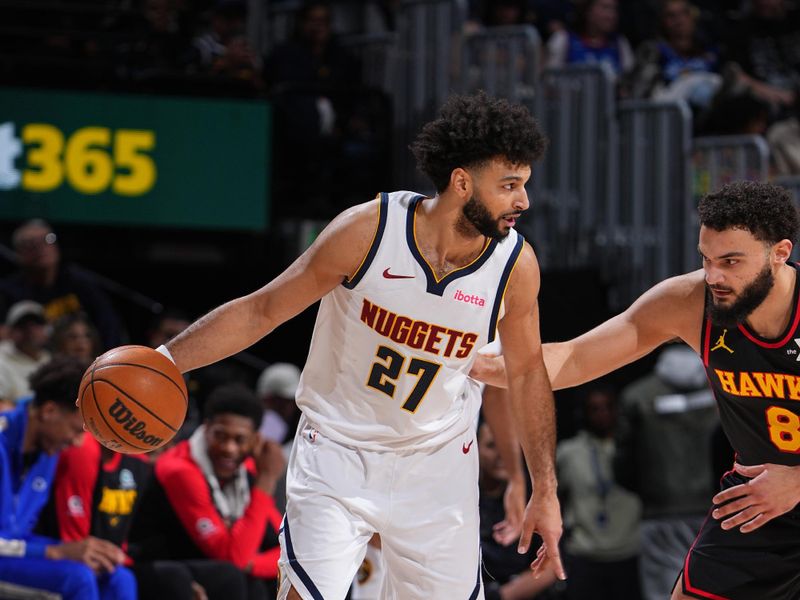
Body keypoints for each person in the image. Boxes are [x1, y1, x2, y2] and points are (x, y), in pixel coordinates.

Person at [119, 92, 565, 599]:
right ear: (462, 182)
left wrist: (541, 487)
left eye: (524, 185)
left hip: (439, 468)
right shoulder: (369, 231)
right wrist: (166, 361)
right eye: (510, 186)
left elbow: (525, 374)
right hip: (338, 450)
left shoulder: (515, 266)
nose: (523, 201)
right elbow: (262, 309)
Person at [476, 180, 800, 599]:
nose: (714, 275)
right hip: (757, 503)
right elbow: (576, 358)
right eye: (706, 258)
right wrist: (475, 364)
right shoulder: (690, 301)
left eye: (732, 261)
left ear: (781, 253)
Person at [128, 383, 285, 600]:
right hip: (154, 568)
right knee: (230, 577)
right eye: (220, 435)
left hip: (203, 566)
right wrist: (266, 479)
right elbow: (232, 558)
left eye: (239, 440)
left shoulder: (244, 472)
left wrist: (250, 564)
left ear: (255, 441)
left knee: (259, 583)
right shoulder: (180, 469)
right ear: (206, 428)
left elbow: (283, 548)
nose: (229, 448)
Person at [0, 357, 136, 600]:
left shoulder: (48, 449)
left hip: (16, 550)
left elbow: (17, 533)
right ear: (49, 411)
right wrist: (50, 552)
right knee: (77, 578)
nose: (78, 442)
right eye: (75, 430)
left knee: (117, 576)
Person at [614, 344, 718, 600]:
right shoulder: (724, 389)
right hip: (720, 511)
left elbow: (623, 465)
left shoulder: (638, 396)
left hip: (661, 514)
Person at [556, 385, 641, 600]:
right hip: (584, 553)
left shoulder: (635, 447)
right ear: (584, 413)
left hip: (628, 551)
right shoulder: (568, 452)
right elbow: (559, 498)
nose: (602, 414)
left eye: (608, 407)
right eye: (595, 408)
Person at [0, 219, 123, 350]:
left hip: (86, 362)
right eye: (30, 243)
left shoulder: (80, 283)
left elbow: (109, 326)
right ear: (18, 253)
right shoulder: (8, 292)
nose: (40, 247)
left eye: (48, 239)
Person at [0, 300, 52, 409]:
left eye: (36, 324)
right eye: (23, 325)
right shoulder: (2, 358)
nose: (30, 330)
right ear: (10, 331)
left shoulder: (50, 360)